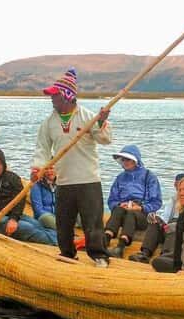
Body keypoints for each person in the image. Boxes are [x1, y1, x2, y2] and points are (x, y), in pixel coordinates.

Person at [31, 67, 112, 268]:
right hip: (64, 181)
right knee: (63, 223)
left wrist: (101, 122)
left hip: (88, 180)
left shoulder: (87, 117)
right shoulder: (49, 123)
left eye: (54, 96)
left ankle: (99, 256)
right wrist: (37, 168)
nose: (51, 100)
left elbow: (106, 139)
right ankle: (67, 253)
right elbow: (42, 147)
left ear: (66, 97)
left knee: (92, 223)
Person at [0, 146, 58, 245]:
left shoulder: (12, 179)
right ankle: (60, 242)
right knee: (28, 228)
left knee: (37, 224)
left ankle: (64, 238)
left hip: (12, 215)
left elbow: (20, 201)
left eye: (0, 164)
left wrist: (14, 218)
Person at [104, 144, 162, 257]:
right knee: (118, 210)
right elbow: (112, 200)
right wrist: (120, 204)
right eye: (123, 159)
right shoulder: (120, 178)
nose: (125, 162)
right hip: (123, 211)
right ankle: (105, 240)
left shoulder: (149, 176)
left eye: (128, 159)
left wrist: (141, 207)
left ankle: (120, 246)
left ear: (136, 160)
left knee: (131, 214)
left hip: (143, 214)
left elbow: (157, 202)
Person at [128, 172, 184, 263]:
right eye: (179, 187)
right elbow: (166, 218)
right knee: (155, 222)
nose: (181, 191)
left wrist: (174, 225)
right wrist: (156, 219)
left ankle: (166, 255)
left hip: (181, 230)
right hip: (169, 226)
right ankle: (145, 253)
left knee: (175, 227)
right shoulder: (174, 199)